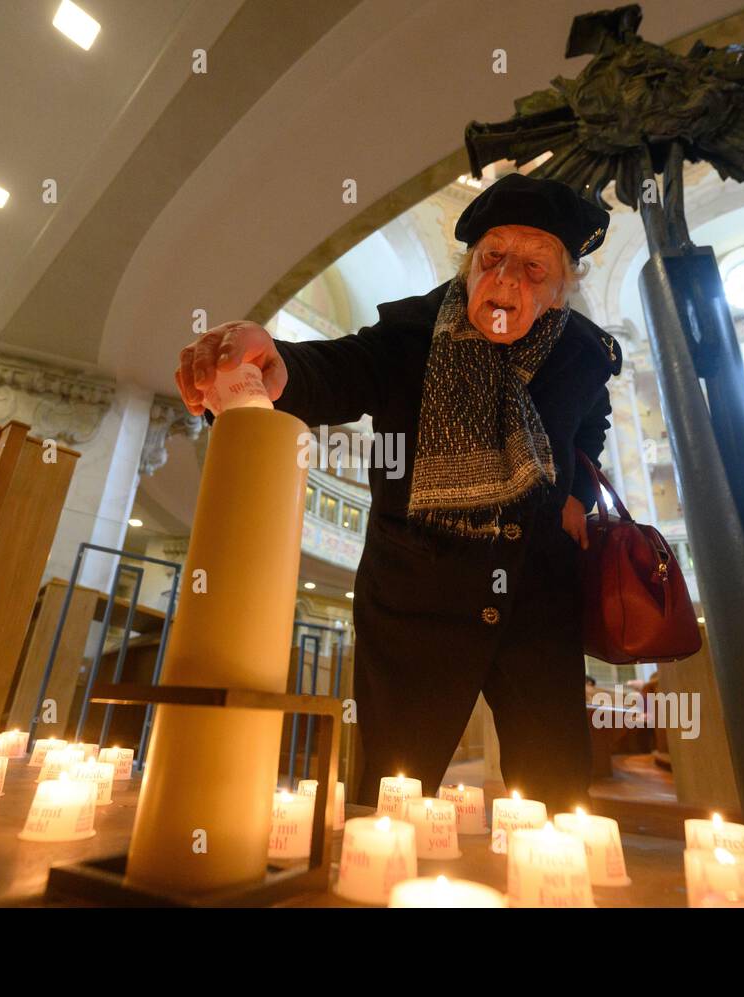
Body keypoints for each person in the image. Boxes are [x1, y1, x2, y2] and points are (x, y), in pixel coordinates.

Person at [176, 173, 621, 812]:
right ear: (468, 266)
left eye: (532, 267)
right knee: (392, 791)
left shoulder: (581, 353)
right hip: (418, 590)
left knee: (555, 788)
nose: (505, 279)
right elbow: (334, 371)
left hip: (537, 589)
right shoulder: (409, 336)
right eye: (492, 257)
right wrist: (274, 362)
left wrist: (577, 489)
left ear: (559, 292)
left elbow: (592, 421)